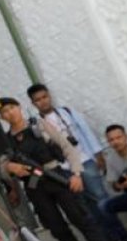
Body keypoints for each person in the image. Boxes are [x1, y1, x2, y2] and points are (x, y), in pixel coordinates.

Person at [0, 97, 126, 241]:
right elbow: (2, 167)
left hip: (56, 176)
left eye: (12, 108)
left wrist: (76, 173)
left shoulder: (38, 126)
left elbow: (67, 147)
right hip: (34, 186)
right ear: (1, 117)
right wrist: (10, 167)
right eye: (4, 112)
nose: (9, 113)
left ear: (19, 107)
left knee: (82, 219)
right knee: (57, 227)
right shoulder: (6, 141)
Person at [27, 84, 110, 228]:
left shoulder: (67, 112)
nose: (43, 101)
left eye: (45, 97)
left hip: (85, 161)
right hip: (64, 168)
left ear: (49, 96)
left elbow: (86, 132)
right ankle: (110, 240)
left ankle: (124, 239)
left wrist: (98, 154)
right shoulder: (36, 124)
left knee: (101, 198)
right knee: (84, 206)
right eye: (38, 100)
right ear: (33, 103)